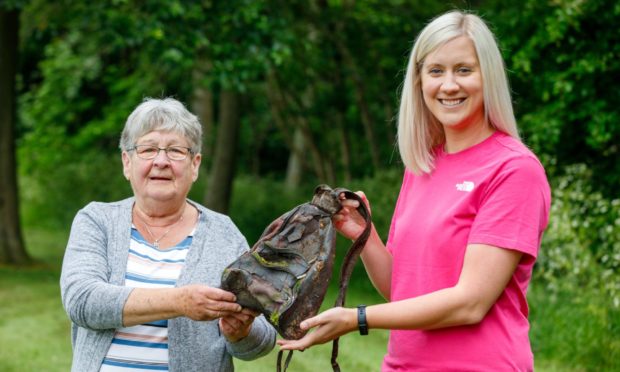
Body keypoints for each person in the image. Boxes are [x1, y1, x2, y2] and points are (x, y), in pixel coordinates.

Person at [278, 10, 551, 371]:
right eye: (436, 71)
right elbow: (404, 291)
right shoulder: (423, 166)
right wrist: (367, 236)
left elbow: (470, 303)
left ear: (489, 77)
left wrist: (356, 318)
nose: (449, 85)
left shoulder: (514, 170)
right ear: (419, 80)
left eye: (464, 70)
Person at [60, 98, 276, 371]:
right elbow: (83, 302)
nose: (161, 161)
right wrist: (180, 302)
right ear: (127, 162)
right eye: (148, 149)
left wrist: (240, 333)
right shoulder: (96, 220)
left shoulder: (224, 235)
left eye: (175, 151)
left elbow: (264, 335)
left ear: (194, 165)